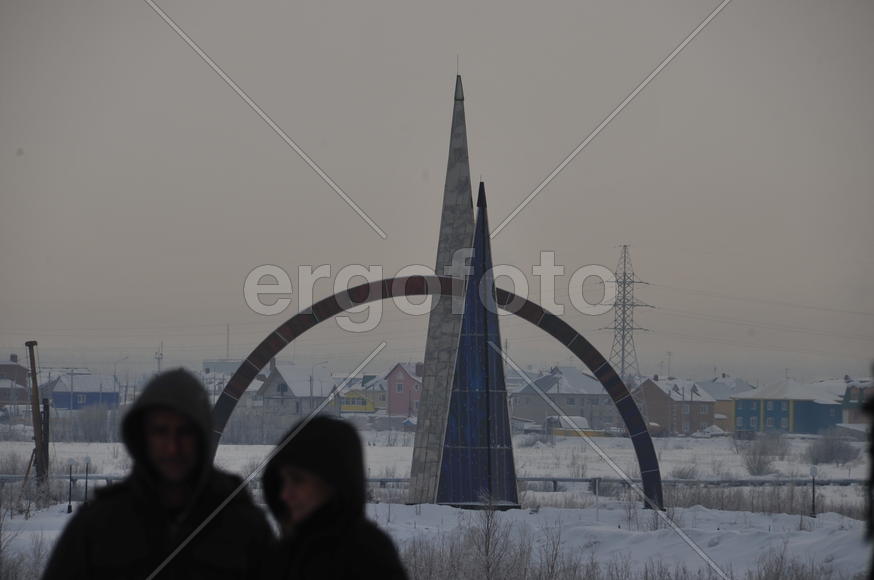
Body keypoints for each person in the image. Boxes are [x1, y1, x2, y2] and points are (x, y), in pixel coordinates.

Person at [42, 368, 274, 580]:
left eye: (184, 432)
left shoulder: (242, 524)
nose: (172, 447)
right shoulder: (99, 525)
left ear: (201, 437)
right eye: (160, 432)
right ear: (142, 437)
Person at [261, 415, 408, 580]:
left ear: (332, 482)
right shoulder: (282, 554)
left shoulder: (368, 556)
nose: (285, 494)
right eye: (282, 481)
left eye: (298, 480)